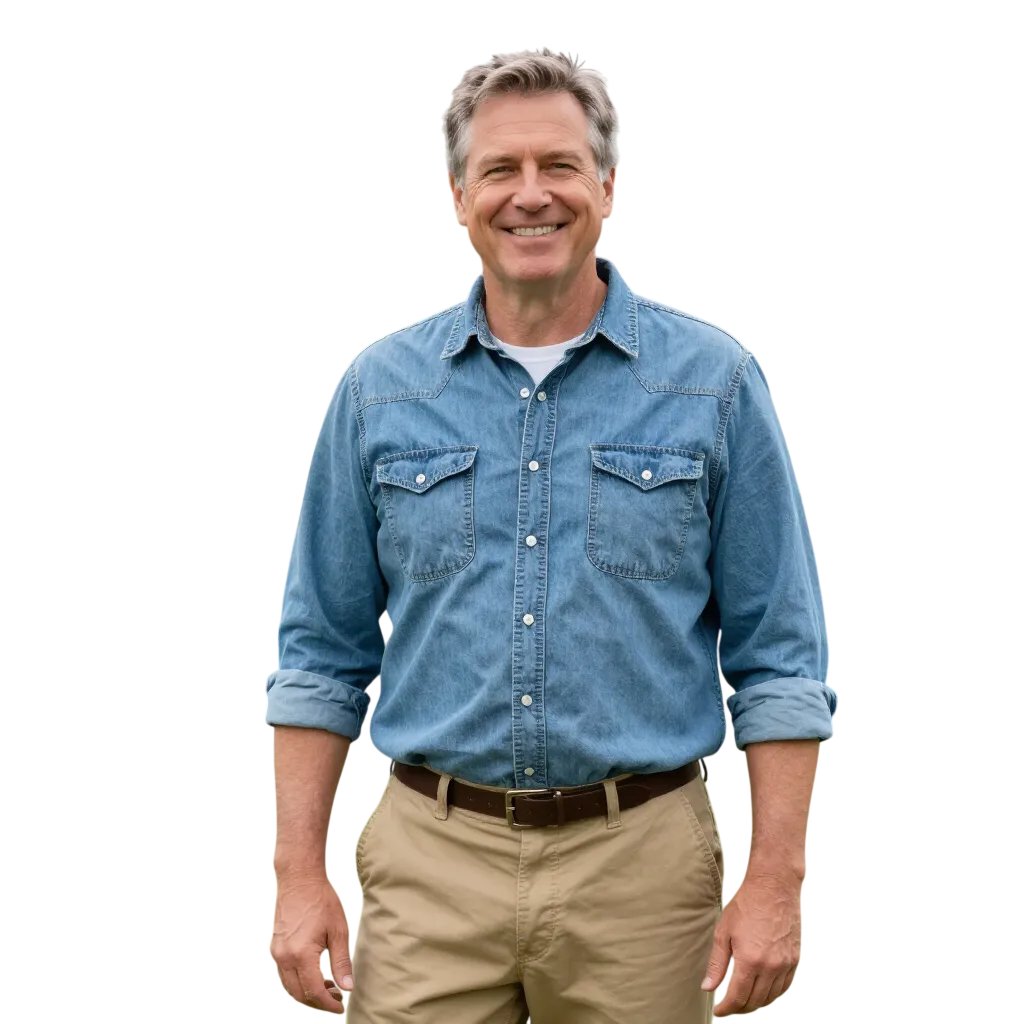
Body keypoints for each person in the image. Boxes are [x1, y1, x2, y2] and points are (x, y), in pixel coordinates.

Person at [266, 46, 836, 1023]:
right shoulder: (378, 388)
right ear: (456, 196)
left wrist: (776, 880)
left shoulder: (716, 381)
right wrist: (296, 874)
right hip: (429, 862)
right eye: (499, 170)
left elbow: (778, 656)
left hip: (645, 871)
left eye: (560, 166)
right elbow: (321, 651)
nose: (532, 195)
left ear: (608, 186)